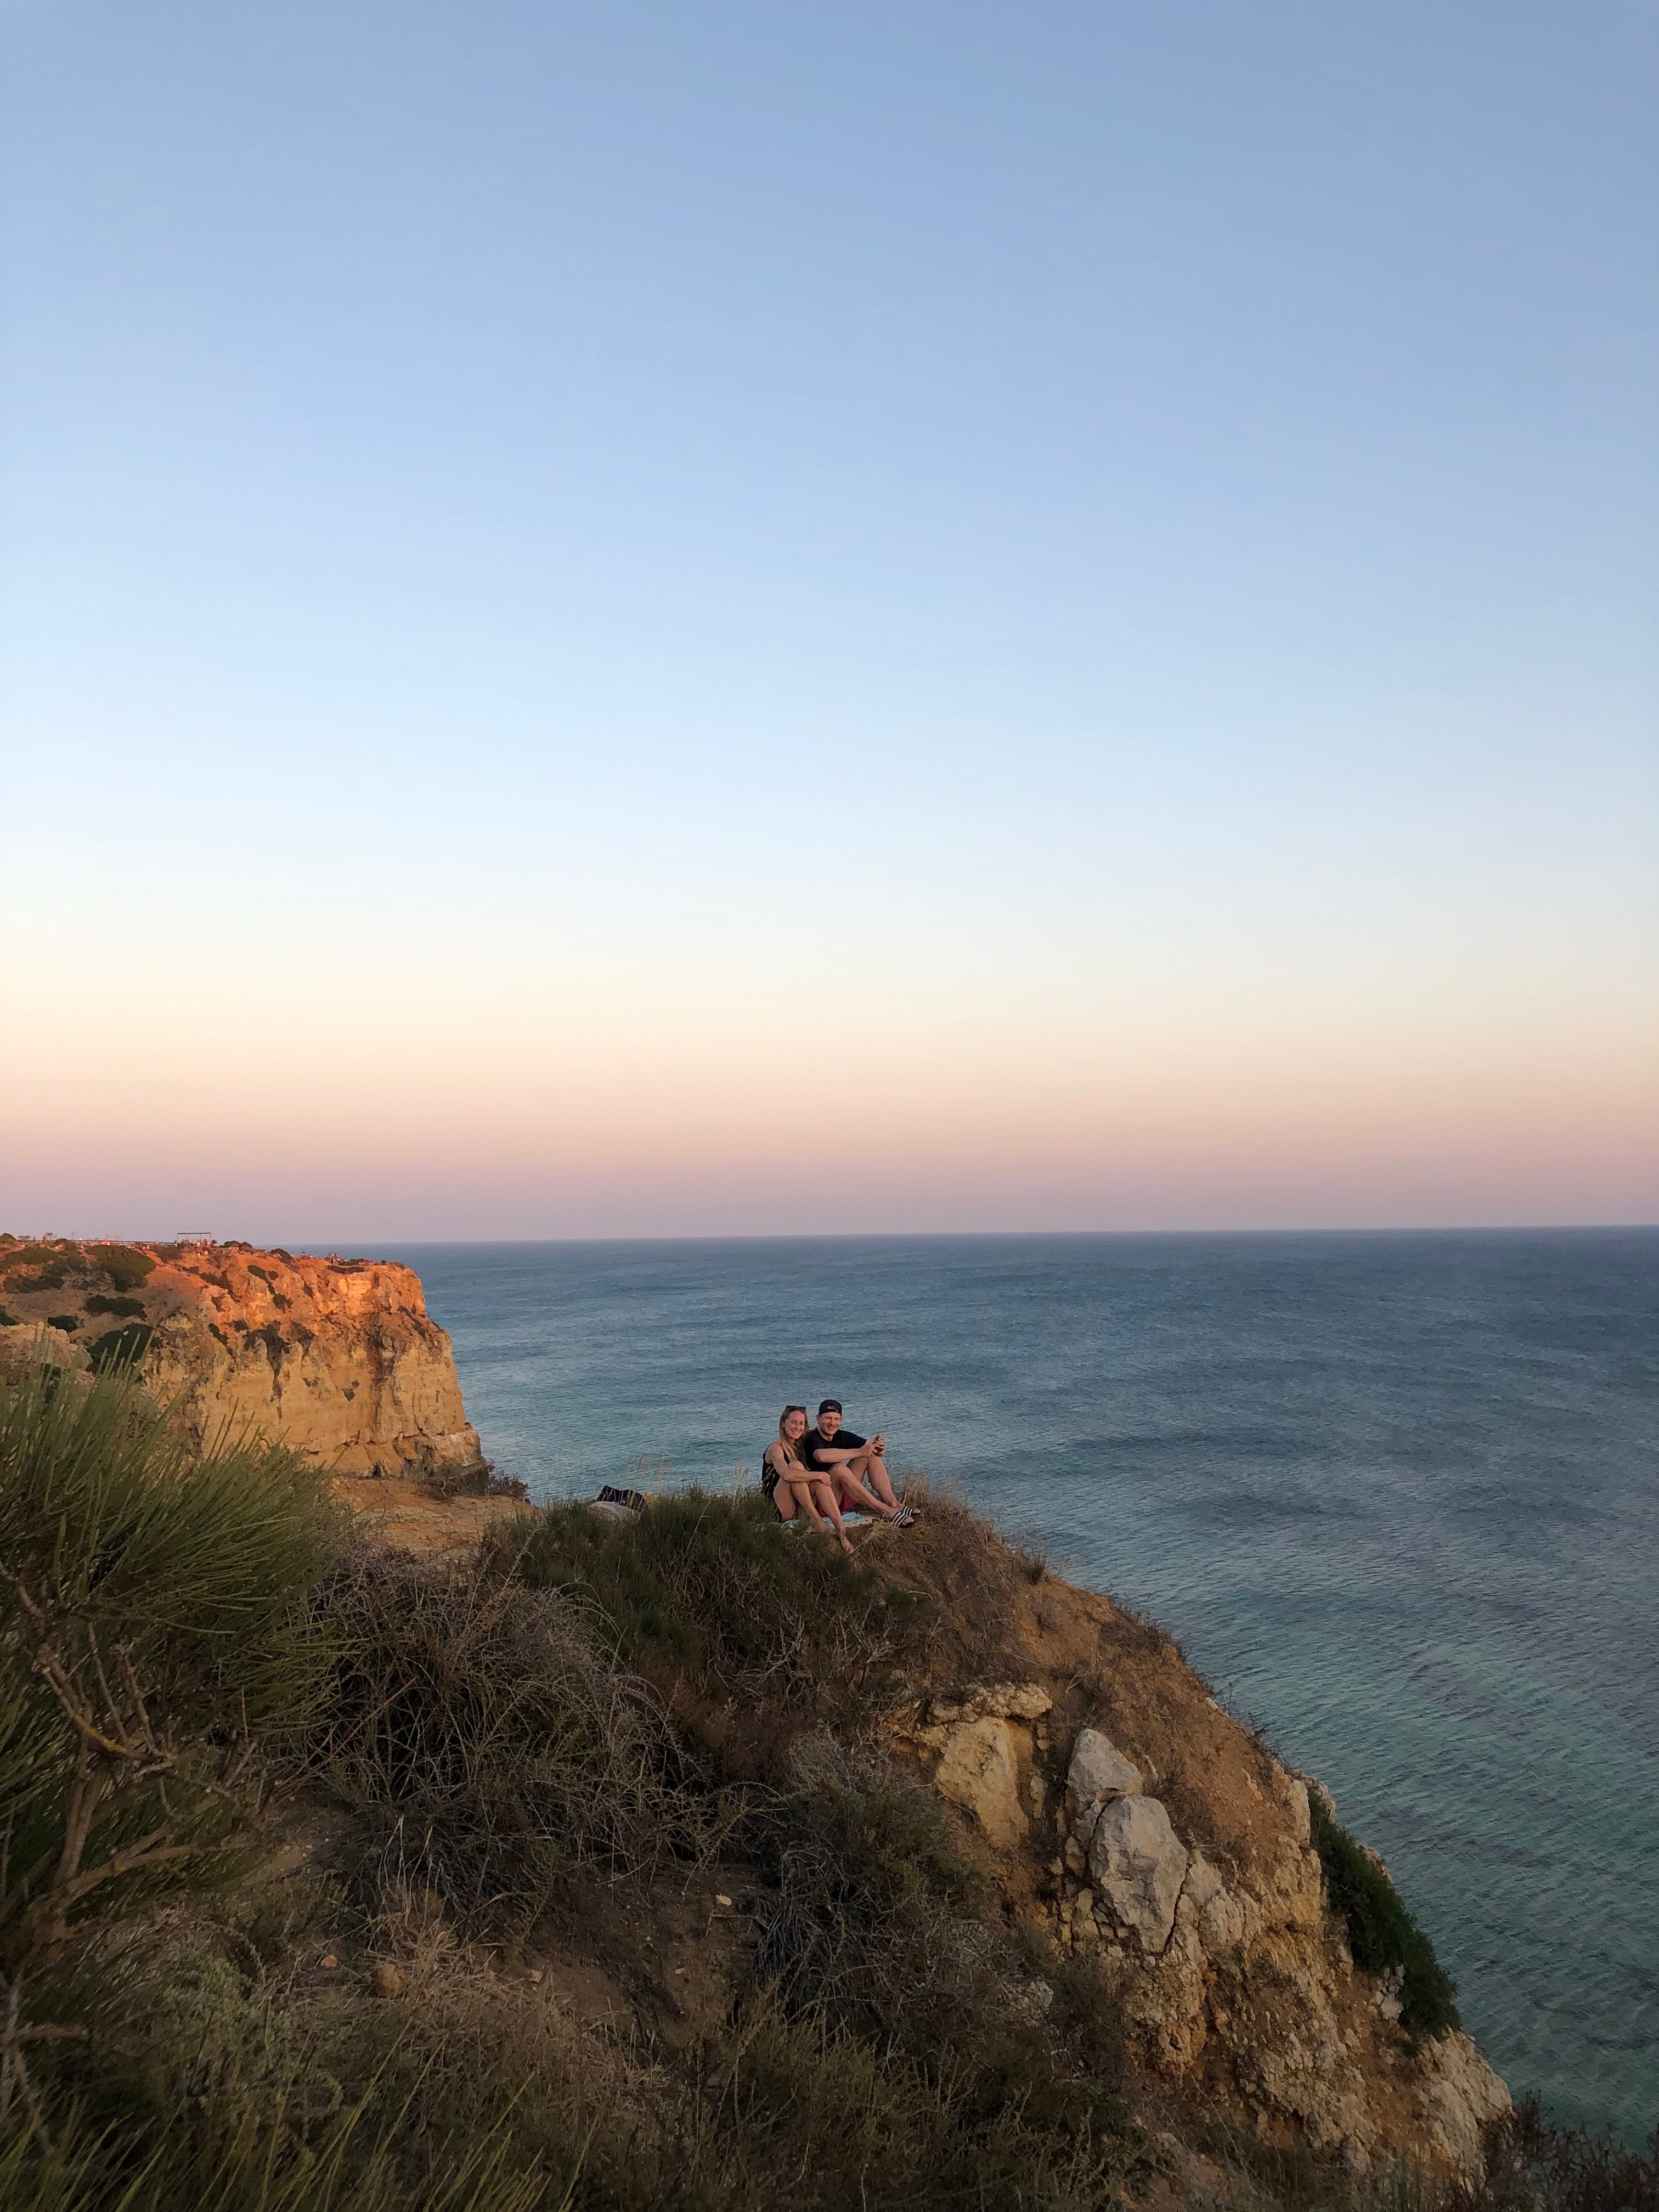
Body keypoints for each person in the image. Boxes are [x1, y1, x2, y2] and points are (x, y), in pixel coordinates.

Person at [804, 1400, 914, 1525]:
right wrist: (859, 1452)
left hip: (845, 1495)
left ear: (841, 1420)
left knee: (869, 1455)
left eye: (836, 1419)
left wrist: (880, 1447)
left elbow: (873, 1450)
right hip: (824, 1503)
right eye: (828, 1418)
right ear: (818, 1419)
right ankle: (885, 1510)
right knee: (839, 1469)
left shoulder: (842, 1436)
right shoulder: (811, 1438)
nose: (832, 1423)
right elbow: (821, 1456)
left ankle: (893, 1504)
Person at [761, 1404, 853, 1554]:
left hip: (798, 1503)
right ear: (783, 1423)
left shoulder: (801, 1447)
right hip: (777, 1507)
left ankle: (841, 1531)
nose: (797, 1427)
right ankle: (818, 1522)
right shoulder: (776, 1448)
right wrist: (819, 1475)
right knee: (797, 1467)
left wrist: (820, 1476)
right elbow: (786, 1475)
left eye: (801, 1424)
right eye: (793, 1422)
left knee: (819, 1481)